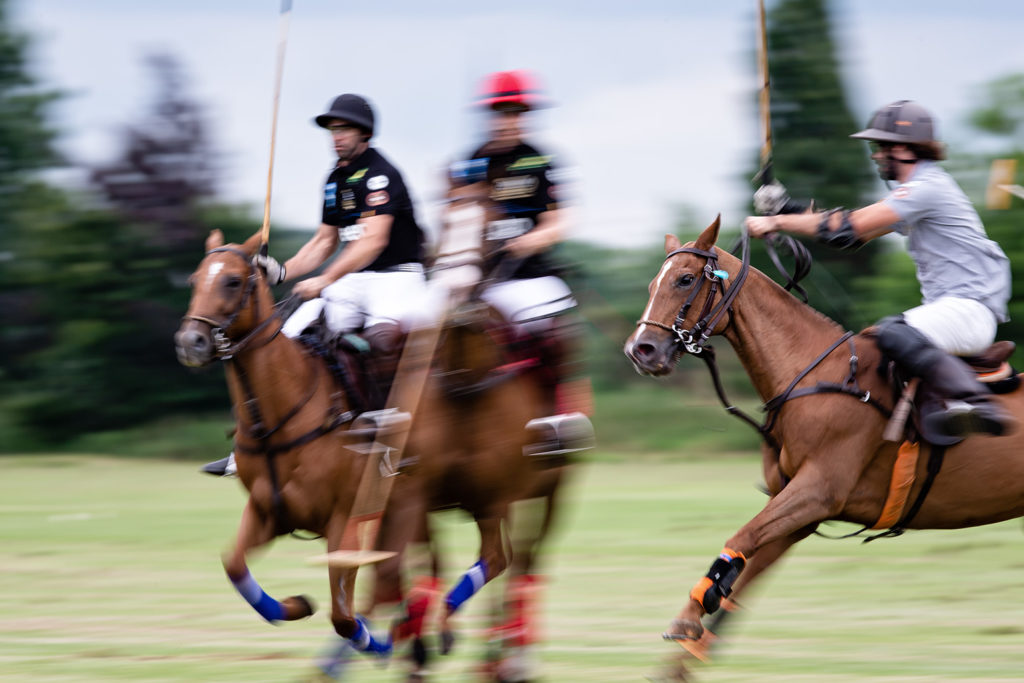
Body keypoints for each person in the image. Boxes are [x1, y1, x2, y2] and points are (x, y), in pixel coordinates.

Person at [746, 99, 1014, 440]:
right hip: (955, 311)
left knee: (890, 332)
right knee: (883, 344)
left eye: (879, 147)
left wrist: (776, 220)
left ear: (902, 148)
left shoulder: (926, 188)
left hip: (968, 311)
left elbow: (850, 227)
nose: (875, 155)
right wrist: (787, 208)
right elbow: (853, 238)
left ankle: (976, 404)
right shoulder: (917, 192)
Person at [202, 93, 428, 476]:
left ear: (365, 133)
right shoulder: (335, 179)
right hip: (355, 279)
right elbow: (325, 240)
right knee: (284, 336)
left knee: (383, 340)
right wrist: (283, 271)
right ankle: (250, 444)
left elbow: (373, 240)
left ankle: (392, 434)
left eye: (345, 129)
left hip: (398, 276)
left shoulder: (380, 174)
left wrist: (324, 279)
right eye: (333, 129)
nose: (336, 136)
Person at [453, 69, 593, 459]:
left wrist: (527, 241)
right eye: (499, 113)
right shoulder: (471, 163)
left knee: (549, 331)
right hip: (476, 277)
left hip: (529, 274)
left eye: (514, 113)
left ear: (525, 115)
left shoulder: (541, 160)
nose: (506, 120)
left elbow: (560, 219)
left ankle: (555, 418)